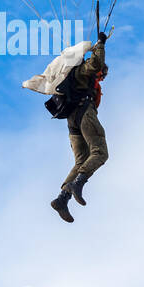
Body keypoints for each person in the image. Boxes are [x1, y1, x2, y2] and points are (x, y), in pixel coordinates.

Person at [50, 32, 108, 222]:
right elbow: (96, 64)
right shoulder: (82, 70)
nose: (103, 75)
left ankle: (62, 199)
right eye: (103, 73)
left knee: (81, 160)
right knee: (100, 152)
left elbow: (97, 67)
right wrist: (100, 44)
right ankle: (78, 183)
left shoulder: (69, 77)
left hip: (72, 121)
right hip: (84, 114)